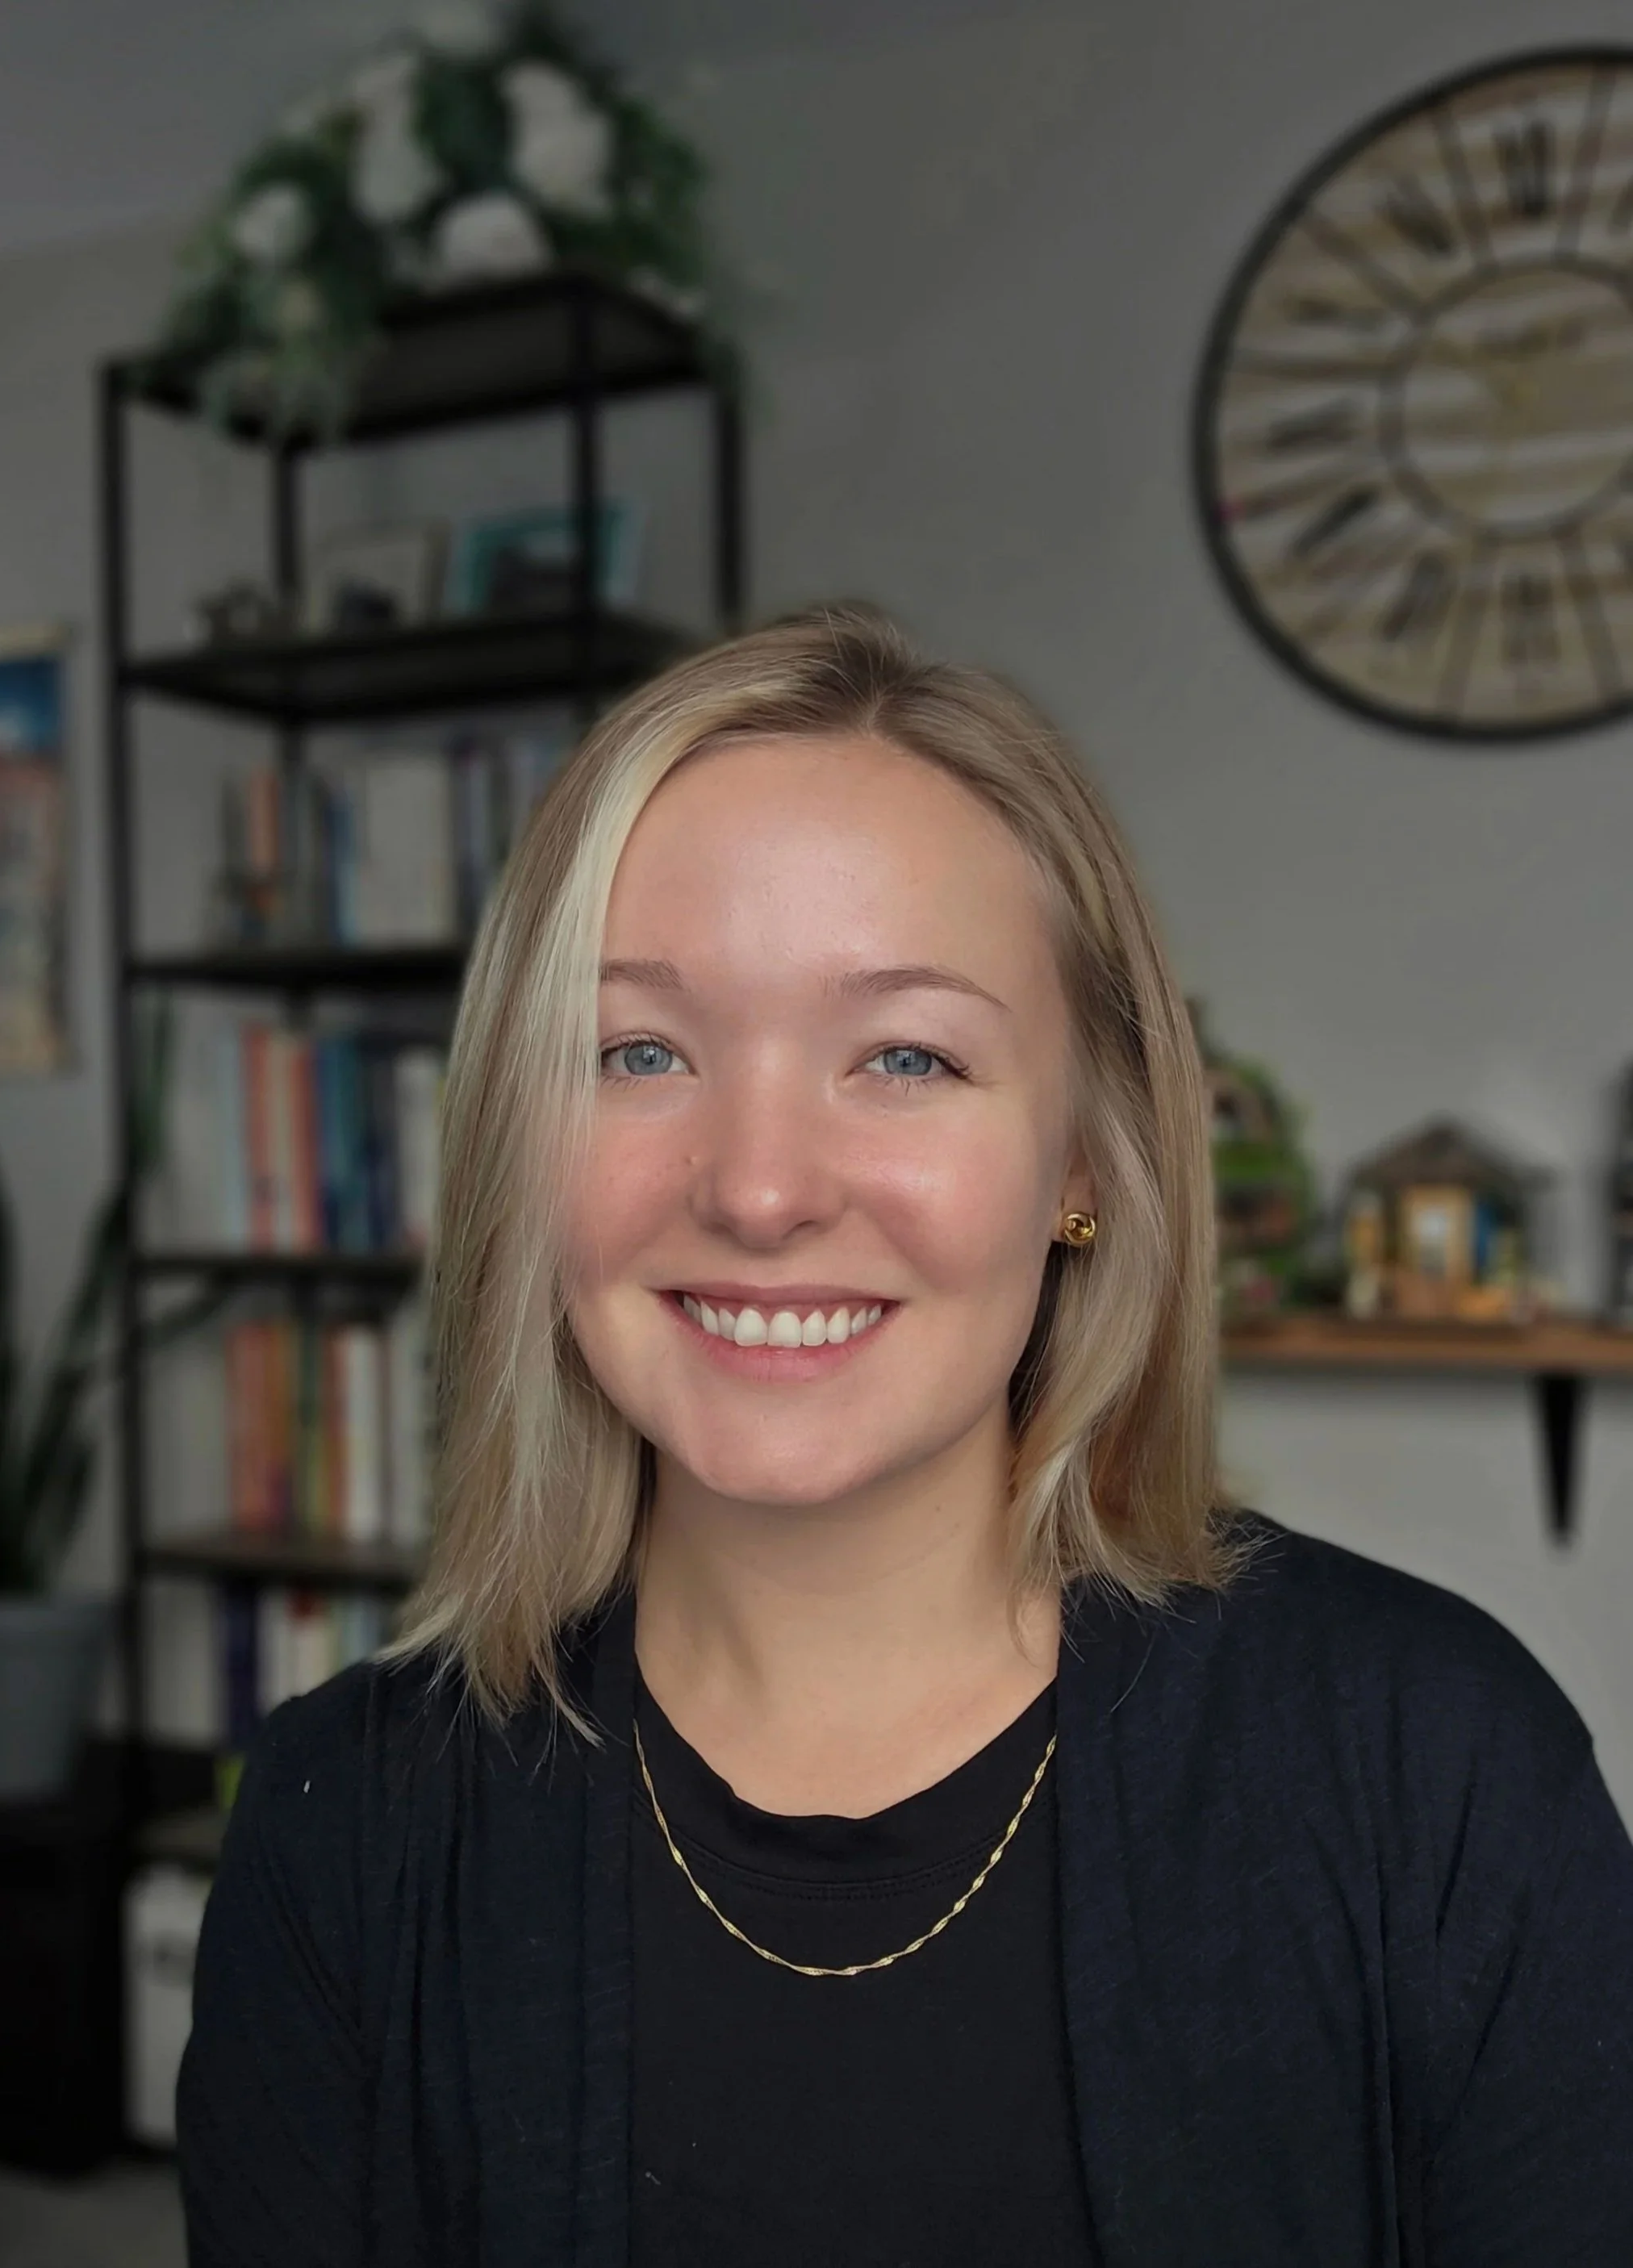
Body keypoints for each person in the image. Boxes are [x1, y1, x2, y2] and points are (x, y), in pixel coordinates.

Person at [178, 608, 1633, 2267]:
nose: (760, 1186)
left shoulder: (1436, 1770)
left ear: (1083, 1158)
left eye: (903, 1054)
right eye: (640, 1049)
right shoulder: (342, 1825)